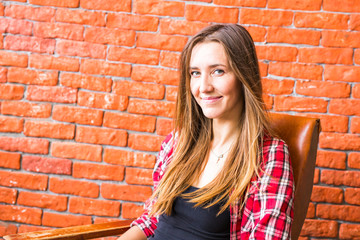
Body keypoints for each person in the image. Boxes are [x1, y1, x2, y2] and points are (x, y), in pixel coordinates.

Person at [119, 24, 294, 240]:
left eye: (217, 71)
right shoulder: (178, 142)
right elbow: (152, 220)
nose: (204, 87)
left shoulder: (267, 155)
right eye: (195, 73)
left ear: (243, 76)